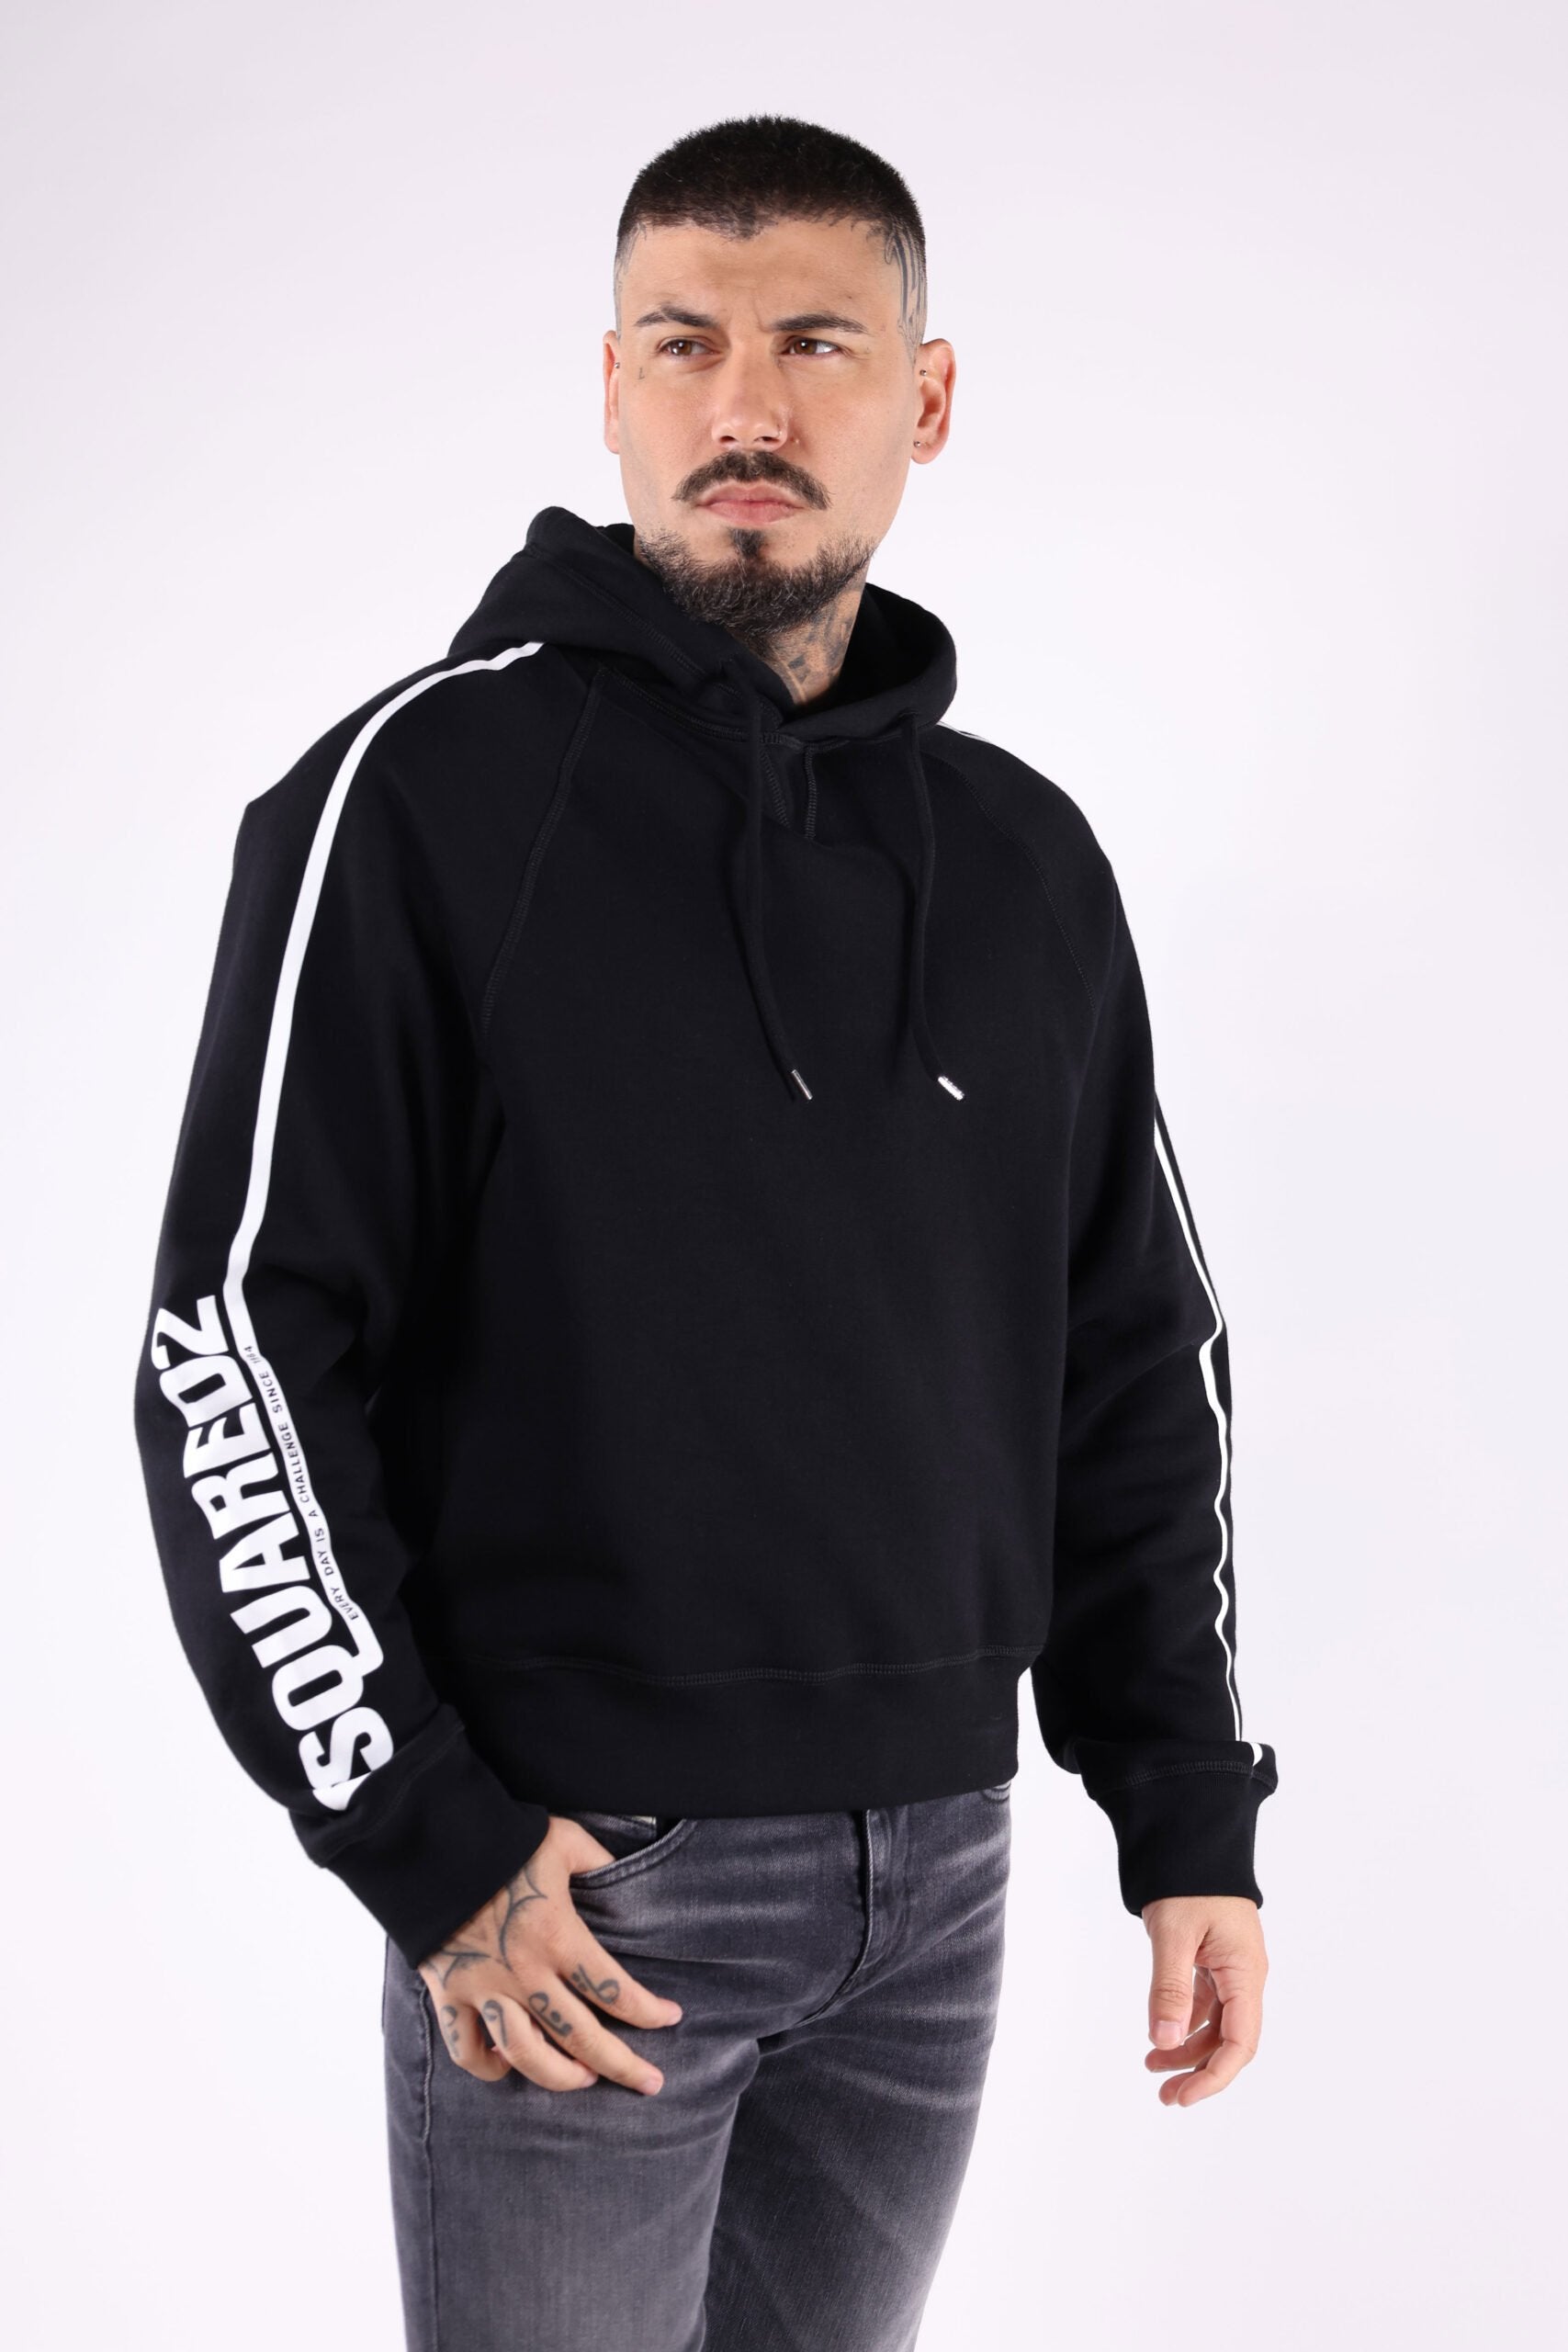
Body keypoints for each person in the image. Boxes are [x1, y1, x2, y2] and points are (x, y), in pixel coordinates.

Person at [133, 112, 1278, 2352]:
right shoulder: (415, 801)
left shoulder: (1024, 861)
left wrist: (1185, 1805)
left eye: (813, 344)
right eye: (683, 342)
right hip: (582, 1882)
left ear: (922, 398)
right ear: (610, 387)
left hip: (936, 1873)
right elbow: (238, 1349)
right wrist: (423, 1832)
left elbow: (1134, 1356)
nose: (744, 404)